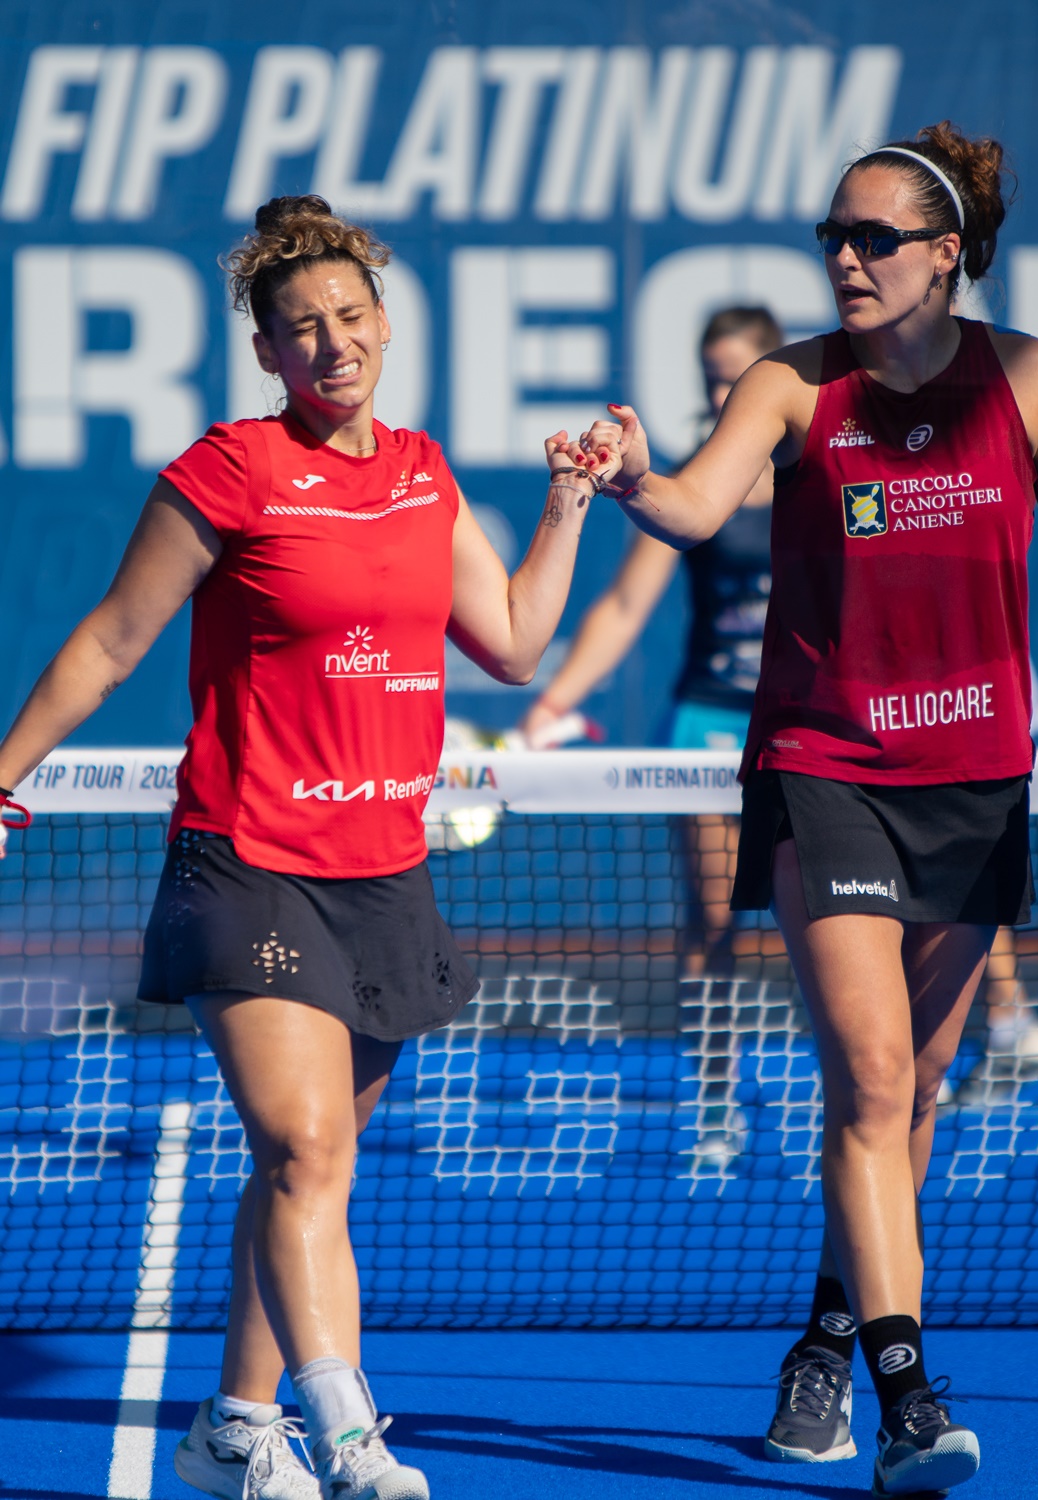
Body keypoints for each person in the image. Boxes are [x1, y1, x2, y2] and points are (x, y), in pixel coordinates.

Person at [564, 122, 1038, 1496]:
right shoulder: (792, 386)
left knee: (919, 1104)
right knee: (873, 1079)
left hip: (978, 785)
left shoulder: (1026, 379)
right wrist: (631, 479)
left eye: (872, 238)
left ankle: (828, 1336)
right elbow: (700, 505)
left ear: (945, 253)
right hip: (826, 773)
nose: (843, 258)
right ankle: (907, 1399)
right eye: (830, 239)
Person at [0, 196, 621, 1500]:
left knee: (311, 1174)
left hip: (385, 872)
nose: (332, 343)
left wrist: (568, 502)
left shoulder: (423, 471)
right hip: (249, 858)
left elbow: (510, 639)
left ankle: (233, 1423)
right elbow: (114, 640)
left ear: (385, 326)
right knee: (304, 1150)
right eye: (302, 330)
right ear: (270, 354)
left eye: (350, 319)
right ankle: (345, 1431)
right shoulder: (228, 472)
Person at [521, 306, 782, 976]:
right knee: (715, 914)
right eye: (711, 382)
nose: (722, 398)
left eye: (736, 381)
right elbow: (626, 605)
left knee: (830, 910)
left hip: (798, 721)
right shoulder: (692, 485)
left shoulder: (820, 478)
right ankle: (712, 1076)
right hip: (708, 717)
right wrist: (553, 704)